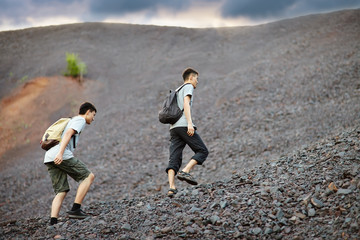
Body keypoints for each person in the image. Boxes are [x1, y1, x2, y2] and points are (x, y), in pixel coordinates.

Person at [44, 102, 97, 225]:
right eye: (93, 115)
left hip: (49, 156)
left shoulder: (72, 120)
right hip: (59, 154)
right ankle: (75, 209)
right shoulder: (80, 120)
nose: (93, 119)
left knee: (61, 190)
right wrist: (61, 153)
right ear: (87, 112)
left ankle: (53, 221)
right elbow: (68, 134)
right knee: (88, 176)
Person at [166, 68, 209, 197]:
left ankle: (171, 188)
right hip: (184, 125)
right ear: (191, 78)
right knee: (202, 150)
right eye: (196, 78)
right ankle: (185, 171)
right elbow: (186, 103)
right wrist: (190, 123)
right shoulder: (188, 86)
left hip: (173, 128)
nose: (197, 82)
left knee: (174, 157)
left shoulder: (177, 90)